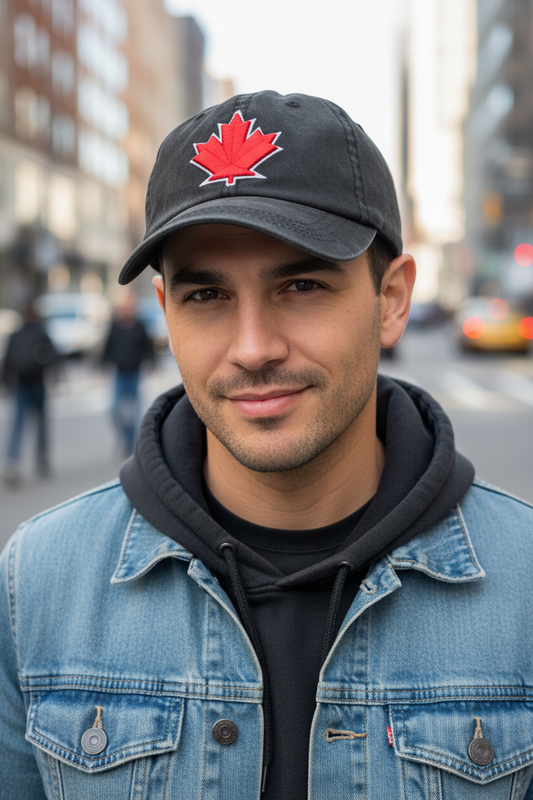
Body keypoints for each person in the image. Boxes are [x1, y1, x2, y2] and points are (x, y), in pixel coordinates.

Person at [0, 91, 532, 799]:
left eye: (301, 284)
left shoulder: (523, 585)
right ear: (165, 313)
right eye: (206, 296)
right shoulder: (35, 584)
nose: (252, 349)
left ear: (392, 299)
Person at [1, 302, 56, 484]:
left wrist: (6, 384)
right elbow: (52, 357)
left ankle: (13, 462)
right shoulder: (41, 333)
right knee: (40, 425)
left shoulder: (15, 335)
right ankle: (41, 461)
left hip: (21, 385)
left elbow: (7, 361)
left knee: (18, 424)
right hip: (38, 384)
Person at [101, 292, 154, 455]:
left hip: (134, 374)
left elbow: (148, 347)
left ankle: (132, 444)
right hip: (119, 374)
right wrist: (102, 365)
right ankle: (124, 438)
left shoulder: (139, 326)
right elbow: (107, 347)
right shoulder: (115, 326)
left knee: (136, 411)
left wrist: (151, 362)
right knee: (115, 410)